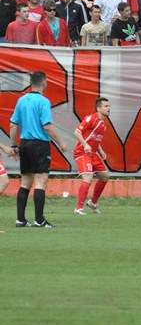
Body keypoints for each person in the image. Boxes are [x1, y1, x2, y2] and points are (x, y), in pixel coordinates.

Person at [9, 71, 68, 227]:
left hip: (25, 144)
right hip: (39, 145)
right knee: (41, 182)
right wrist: (61, 142)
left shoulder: (21, 100)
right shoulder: (43, 101)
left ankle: (20, 219)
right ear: (44, 82)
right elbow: (47, 127)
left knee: (25, 182)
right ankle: (39, 220)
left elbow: (12, 125)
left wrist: (14, 145)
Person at [73, 97, 112, 215]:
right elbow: (77, 132)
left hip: (93, 154)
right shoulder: (91, 118)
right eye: (106, 106)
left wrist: (101, 151)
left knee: (105, 177)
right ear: (98, 108)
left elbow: (95, 139)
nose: (109, 108)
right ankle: (78, 208)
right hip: (82, 152)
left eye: (109, 106)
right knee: (88, 178)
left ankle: (93, 202)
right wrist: (85, 145)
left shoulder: (103, 124)